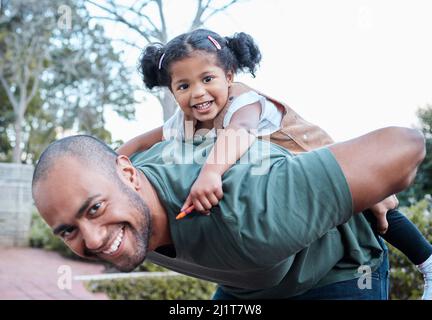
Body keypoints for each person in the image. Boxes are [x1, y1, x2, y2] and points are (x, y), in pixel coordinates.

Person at [117, 28, 432, 299]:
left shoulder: (243, 101)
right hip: (281, 199)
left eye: (207, 78)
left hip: (317, 161)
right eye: (183, 86)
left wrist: (211, 172)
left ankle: (427, 262)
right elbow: (143, 142)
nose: (197, 92)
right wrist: (109, 162)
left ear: (229, 76)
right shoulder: (185, 119)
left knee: (379, 207)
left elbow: (239, 132)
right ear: (172, 91)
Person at [32, 127, 425, 299]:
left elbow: (404, 144)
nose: (94, 238)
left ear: (128, 175)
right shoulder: (118, 183)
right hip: (249, 284)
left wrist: (361, 186)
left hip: (333, 273)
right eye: (68, 231)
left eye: (96, 209)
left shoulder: (249, 212)